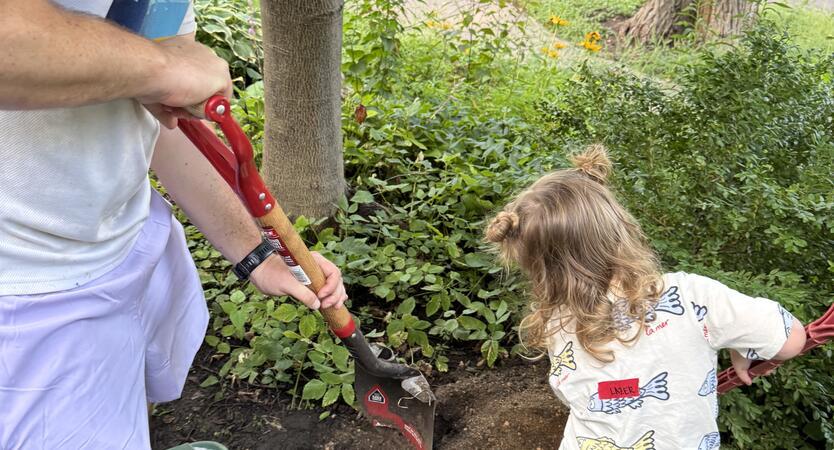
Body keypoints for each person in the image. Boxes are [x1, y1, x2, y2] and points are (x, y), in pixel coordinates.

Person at [0, 1, 347, 449]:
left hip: (127, 243)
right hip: (28, 296)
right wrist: (164, 67)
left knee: (130, 404)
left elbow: (160, 117)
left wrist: (257, 254)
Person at [484, 145, 806, 449]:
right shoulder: (691, 296)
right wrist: (742, 347)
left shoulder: (557, 321)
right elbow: (791, 340)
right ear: (620, 226)